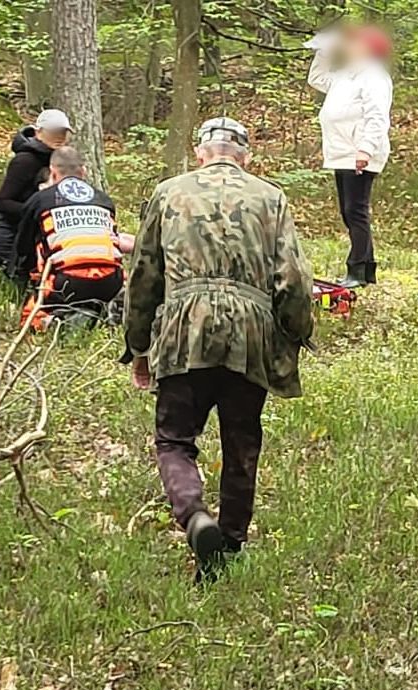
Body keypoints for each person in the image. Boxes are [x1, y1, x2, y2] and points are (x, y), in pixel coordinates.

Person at [122, 117, 314, 582]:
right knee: (241, 440)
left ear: (200, 152)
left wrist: (138, 345)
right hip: (250, 336)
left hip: (183, 330)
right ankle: (228, 543)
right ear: (246, 156)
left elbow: (144, 274)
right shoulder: (271, 197)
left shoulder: (168, 193)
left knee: (174, 439)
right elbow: (294, 281)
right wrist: (294, 335)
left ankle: (194, 516)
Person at [306, 24, 393, 288]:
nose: (350, 47)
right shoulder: (346, 76)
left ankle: (356, 270)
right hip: (341, 152)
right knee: (350, 211)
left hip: (359, 151)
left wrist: (366, 149)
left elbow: (377, 116)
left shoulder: (374, 77)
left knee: (355, 211)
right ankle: (366, 269)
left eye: (356, 43)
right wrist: (323, 52)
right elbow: (317, 79)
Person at [11, 146, 133, 331]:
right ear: (83, 171)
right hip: (111, 282)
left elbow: (23, 248)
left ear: (52, 172)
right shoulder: (104, 200)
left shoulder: (40, 200)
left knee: (30, 320)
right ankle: (105, 312)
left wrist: (24, 277)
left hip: (65, 283)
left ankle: (57, 324)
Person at [0, 109, 72, 285]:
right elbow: (2, 203)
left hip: (34, 234)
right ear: (39, 133)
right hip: (9, 235)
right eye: (53, 132)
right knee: (19, 288)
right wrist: (39, 210)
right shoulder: (25, 161)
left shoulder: (59, 159)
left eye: (63, 132)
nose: (59, 137)